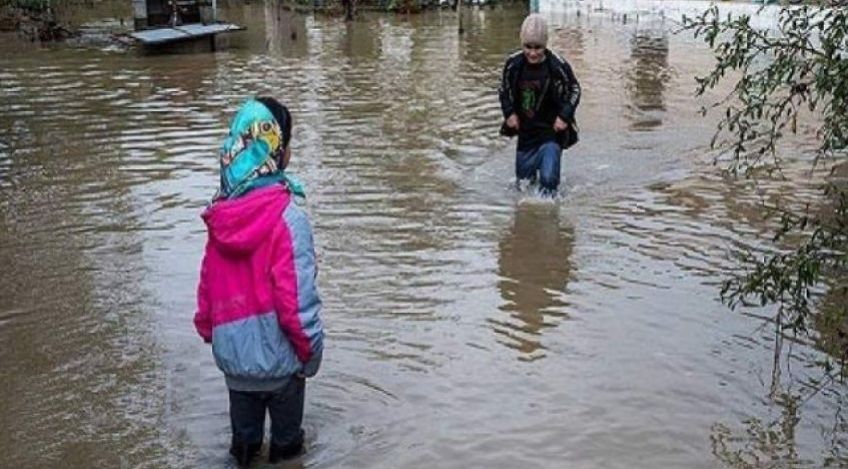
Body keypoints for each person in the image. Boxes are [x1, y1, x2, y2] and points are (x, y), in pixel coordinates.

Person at [193, 97, 323, 466]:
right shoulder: (289, 219)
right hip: (283, 367)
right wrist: (311, 353)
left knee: (243, 451)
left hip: (235, 365)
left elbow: (208, 287)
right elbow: (296, 303)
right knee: (288, 451)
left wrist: (210, 330)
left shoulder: (220, 216)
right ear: (278, 152)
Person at [498, 13, 581, 196]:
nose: (533, 53)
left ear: (545, 45)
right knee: (523, 186)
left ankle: (550, 220)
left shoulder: (557, 66)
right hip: (526, 134)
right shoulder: (513, 64)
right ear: (522, 44)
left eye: (538, 47)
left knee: (549, 181)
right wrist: (509, 113)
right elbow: (503, 90)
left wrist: (564, 116)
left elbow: (575, 89)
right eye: (528, 47)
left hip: (551, 132)